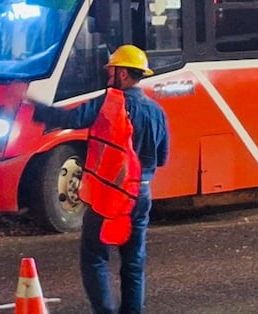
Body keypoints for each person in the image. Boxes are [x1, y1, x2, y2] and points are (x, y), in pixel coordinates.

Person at [28, 44, 169, 314]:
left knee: (95, 258)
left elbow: (72, 118)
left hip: (108, 194)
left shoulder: (109, 104)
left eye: (112, 71)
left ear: (124, 74)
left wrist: (36, 108)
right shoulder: (157, 112)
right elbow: (162, 157)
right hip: (140, 195)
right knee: (133, 262)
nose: (108, 76)